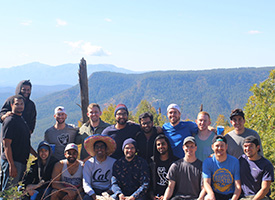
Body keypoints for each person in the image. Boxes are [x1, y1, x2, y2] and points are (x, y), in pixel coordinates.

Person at [1, 95, 37, 191]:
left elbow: (25, 143)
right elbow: (6, 144)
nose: (20, 106)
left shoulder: (21, 120)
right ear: (12, 105)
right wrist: (11, 165)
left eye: (21, 104)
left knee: (14, 191)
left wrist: (37, 155)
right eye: (17, 104)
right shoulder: (10, 121)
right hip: (14, 162)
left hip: (21, 162)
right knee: (8, 191)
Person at [203, 135, 241, 200]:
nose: (219, 148)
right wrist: (211, 195)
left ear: (226, 147)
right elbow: (206, 182)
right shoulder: (208, 162)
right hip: (215, 193)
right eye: (217, 146)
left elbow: (238, 186)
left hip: (230, 194)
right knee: (207, 198)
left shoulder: (234, 161)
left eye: (222, 145)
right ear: (212, 147)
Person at [82, 135, 117, 200]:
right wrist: (94, 195)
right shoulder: (89, 163)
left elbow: (116, 181)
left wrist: (108, 192)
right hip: (94, 190)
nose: (99, 149)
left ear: (106, 149)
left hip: (108, 191)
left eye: (102, 147)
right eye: (97, 147)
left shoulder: (113, 162)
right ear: (94, 149)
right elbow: (86, 182)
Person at [149, 134, 179, 200]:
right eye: (158, 145)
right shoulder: (152, 162)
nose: (161, 146)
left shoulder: (176, 162)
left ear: (167, 144)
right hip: (155, 196)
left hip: (172, 196)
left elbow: (178, 184)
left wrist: (166, 196)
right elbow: (149, 182)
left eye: (163, 144)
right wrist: (152, 195)